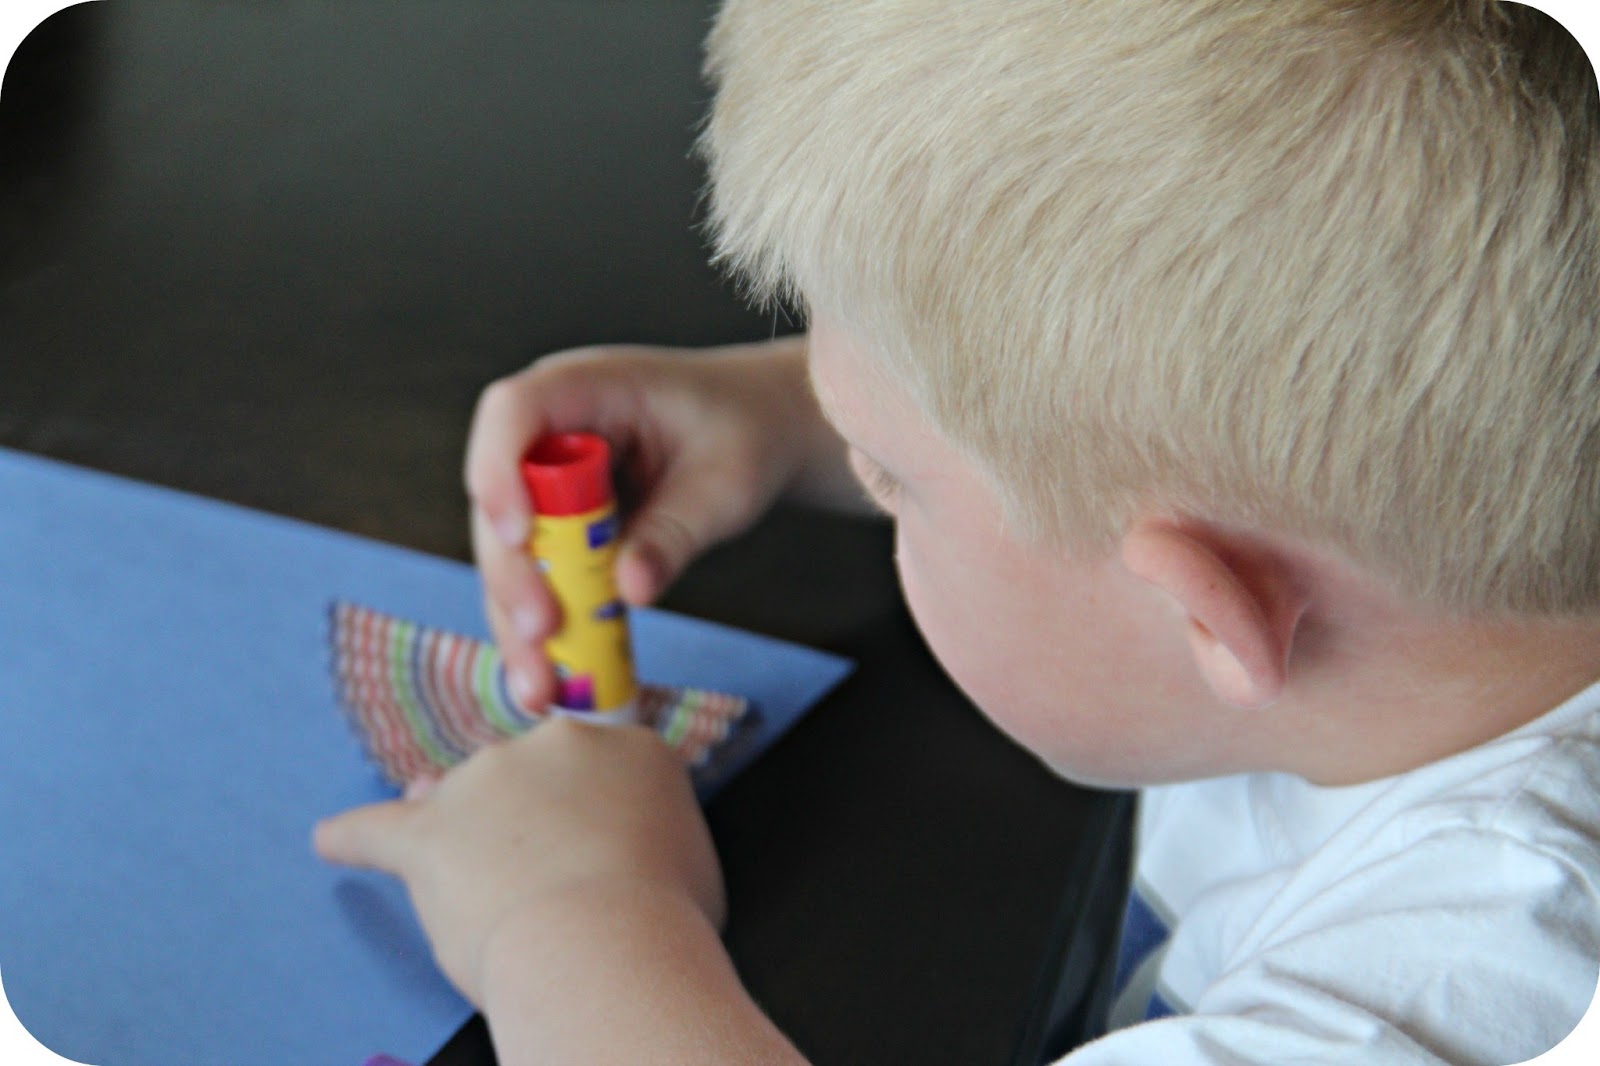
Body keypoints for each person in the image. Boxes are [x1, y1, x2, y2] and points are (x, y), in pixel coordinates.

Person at [313, 1, 1600, 1061]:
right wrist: (791, 412)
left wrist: (573, 918)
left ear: (1207, 615)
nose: (867, 477)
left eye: (889, 481)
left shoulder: (1462, 987)